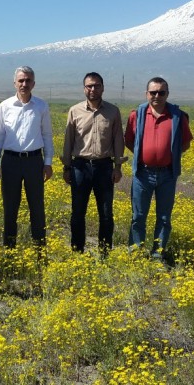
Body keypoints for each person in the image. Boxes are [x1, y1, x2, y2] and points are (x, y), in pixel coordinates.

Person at [124, 77, 193, 262]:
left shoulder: (177, 116)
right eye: (153, 92)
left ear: (167, 94)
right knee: (138, 216)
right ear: (146, 94)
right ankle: (136, 253)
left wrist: (167, 157)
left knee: (164, 217)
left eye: (161, 92)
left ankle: (157, 255)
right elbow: (129, 140)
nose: (157, 96)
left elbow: (185, 143)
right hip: (142, 173)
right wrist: (144, 155)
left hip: (167, 174)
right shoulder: (136, 115)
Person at [61, 72, 125, 254]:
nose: (93, 89)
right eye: (89, 86)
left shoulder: (113, 111)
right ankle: (77, 250)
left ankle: (104, 252)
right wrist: (66, 167)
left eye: (96, 85)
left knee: (106, 214)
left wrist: (118, 167)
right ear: (84, 89)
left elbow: (118, 139)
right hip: (80, 166)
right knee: (78, 212)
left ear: (103, 88)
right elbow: (68, 140)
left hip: (104, 167)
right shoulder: (75, 111)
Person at [0, 66, 54, 248]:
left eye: (28, 80)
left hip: (34, 161)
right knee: (10, 208)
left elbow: (47, 135)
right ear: (15, 83)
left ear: (33, 83)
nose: (24, 84)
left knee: (37, 207)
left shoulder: (41, 106)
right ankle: (9, 249)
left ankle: (39, 249)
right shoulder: (5, 106)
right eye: (21, 80)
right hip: (10, 161)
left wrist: (48, 162)